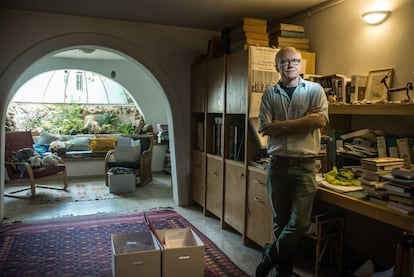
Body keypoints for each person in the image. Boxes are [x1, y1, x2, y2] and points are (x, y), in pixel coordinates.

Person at [256, 47, 329, 277]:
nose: (290, 65)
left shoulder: (315, 90)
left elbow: (319, 121)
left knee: (300, 224)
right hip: (277, 167)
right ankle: (283, 272)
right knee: (280, 221)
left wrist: (282, 126)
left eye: (295, 61)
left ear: (301, 64)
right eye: (285, 61)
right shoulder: (269, 94)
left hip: (305, 168)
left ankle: (270, 255)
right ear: (276, 66)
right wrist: (303, 121)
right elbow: (266, 128)